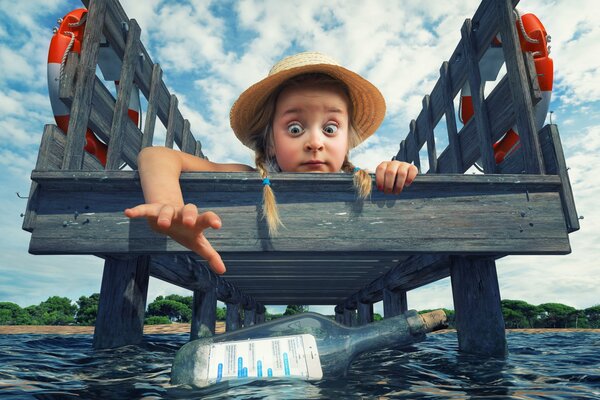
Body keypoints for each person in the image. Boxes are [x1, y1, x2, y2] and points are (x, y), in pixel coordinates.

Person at [125, 52, 418, 275]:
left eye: (330, 129)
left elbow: (399, 184)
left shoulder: (363, 181)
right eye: (294, 129)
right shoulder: (249, 177)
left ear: (347, 142)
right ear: (270, 143)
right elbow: (155, 155)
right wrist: (169, 205)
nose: (315, 142)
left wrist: (396, 171)